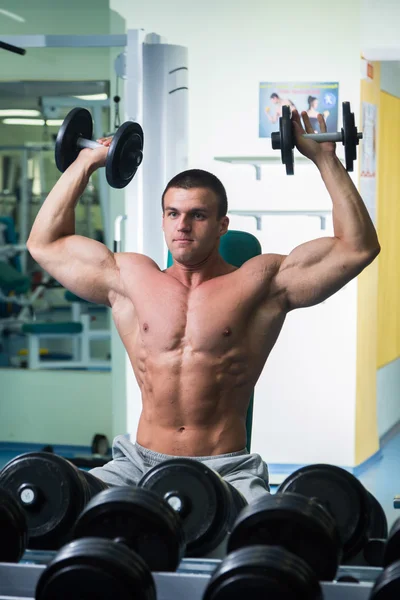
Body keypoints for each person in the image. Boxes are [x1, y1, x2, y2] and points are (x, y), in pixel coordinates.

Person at [27, 111, 380, 503]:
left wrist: (325, 159)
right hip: (137, 464)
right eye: (173, 214)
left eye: (198, 215)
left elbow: (357, 246)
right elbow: (45, 243)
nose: (183, 225)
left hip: (224, 467)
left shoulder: (260, 283)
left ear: (222, 225)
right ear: (163, 222)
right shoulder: (129, 279)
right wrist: (85, 162)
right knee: (54, 500)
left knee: (268, 537)